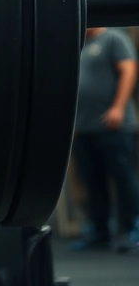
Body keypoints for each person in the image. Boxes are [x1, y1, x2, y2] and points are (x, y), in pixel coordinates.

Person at [71, 26, 139, 253]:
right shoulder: (77, 44)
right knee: (92, 181)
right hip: (84, 128)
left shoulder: (113, 38)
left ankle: (131, 231)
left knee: (123, 178)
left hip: (113, 126)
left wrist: (118, 108)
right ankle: (101, 233)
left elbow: (129, 69)